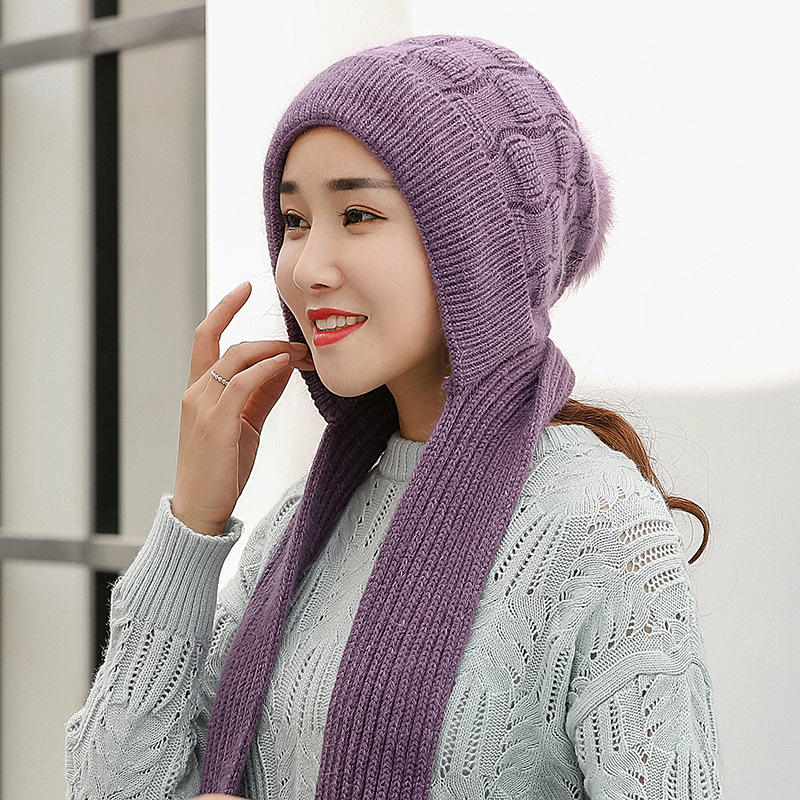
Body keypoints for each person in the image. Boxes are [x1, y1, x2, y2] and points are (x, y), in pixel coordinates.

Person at [65, 35, 722, 800]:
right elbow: (111, 788)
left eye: (357, 213)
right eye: (294, 220)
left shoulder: (597, 526)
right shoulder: (298, 529)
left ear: (476, 248)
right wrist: (192, 523)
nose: (305, 267)